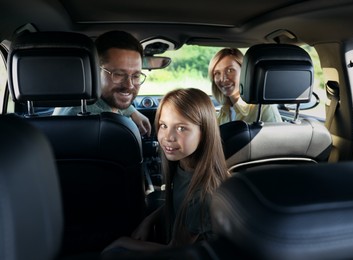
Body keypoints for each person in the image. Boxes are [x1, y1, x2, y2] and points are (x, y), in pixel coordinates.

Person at [102, 88, 230, 253]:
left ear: (204, 132)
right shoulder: (184, 165)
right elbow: (178, 203)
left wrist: (123, 242)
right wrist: (149, 220)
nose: (168, 136)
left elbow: (176, 250)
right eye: (163, 125)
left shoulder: (203, 195)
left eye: (181, 128)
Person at [53, 30, 151, 136]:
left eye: (136, 76)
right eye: (118, 74)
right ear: (94, 71)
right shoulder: (96, 126)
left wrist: (132, 112)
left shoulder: (81, 100)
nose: (129, 85)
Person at [208, 47, 282, 125]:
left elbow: (278, 137)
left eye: (230, 70)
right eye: (217, 73)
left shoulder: (263, 108)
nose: (223, 79)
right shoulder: (223, 113)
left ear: (244, 71)